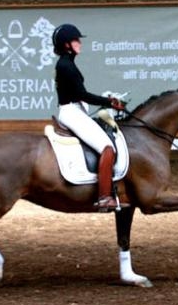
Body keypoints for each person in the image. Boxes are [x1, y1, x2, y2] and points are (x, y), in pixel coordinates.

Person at [52, 23, 124, 212]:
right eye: (76, 40)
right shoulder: (66, 66)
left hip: (74, 110)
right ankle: (104, 197)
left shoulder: (67, 63)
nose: (80, 43)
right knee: (107, 148)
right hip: (72, 112)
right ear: (67, 44)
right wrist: (110, 102)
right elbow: (82, 94)